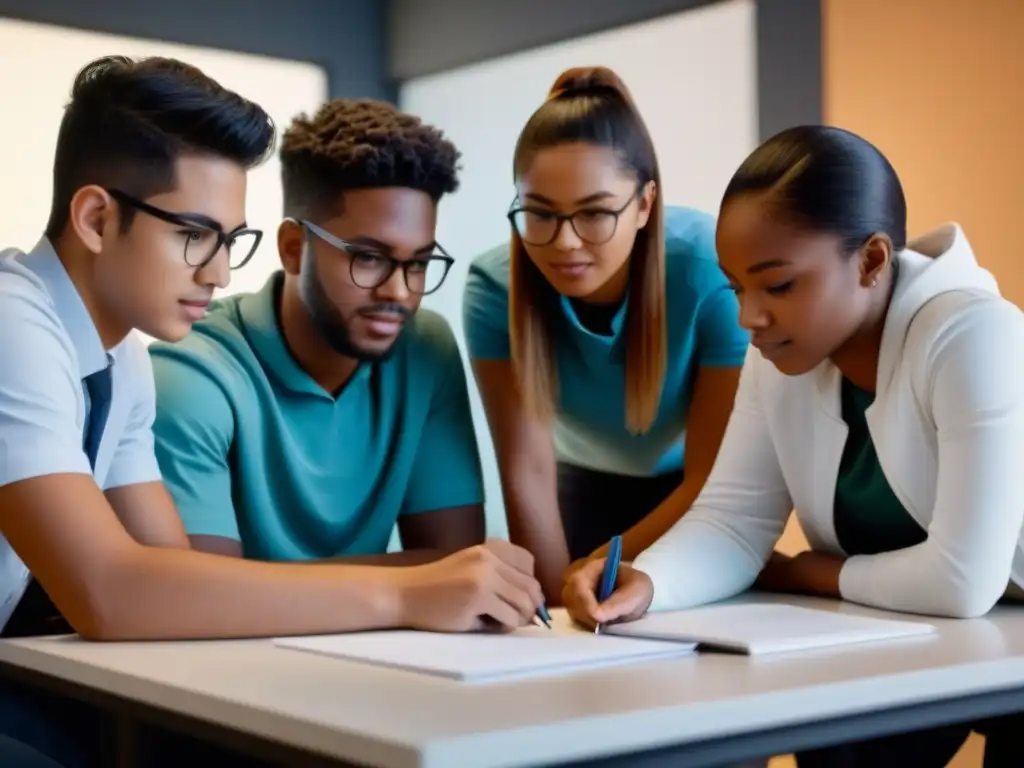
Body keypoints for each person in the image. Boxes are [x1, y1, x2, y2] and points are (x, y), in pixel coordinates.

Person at [0, 54, 541, 767]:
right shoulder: (13, 322)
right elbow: (112, 594)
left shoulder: (122, 356)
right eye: (195, 235)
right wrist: (406, 592)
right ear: (97, 218)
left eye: (229, 241)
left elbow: (172, 576)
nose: (220, 272)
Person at [563, 125, 1024, 766]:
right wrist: (648, 584)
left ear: (871, 261)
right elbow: (732, 520)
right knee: (834, 737)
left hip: (992, 637)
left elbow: (963, 581)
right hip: (942, 636)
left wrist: (803, 572)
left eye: (777, 286)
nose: (748, 315)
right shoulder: (779, 353)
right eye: (735, 287)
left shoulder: (974, 334)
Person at [149, 98, 487, 567]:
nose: (400, 292)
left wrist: (432, 581)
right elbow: (200, 597)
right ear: (293, 248)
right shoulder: (190, 369)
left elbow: (460, 565)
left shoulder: (426, 349)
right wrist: (414, 584)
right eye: (368, 257)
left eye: (420, 264)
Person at [463, 66, 749, 602]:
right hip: (577, 483)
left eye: (595, 214)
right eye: (540, 215)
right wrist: (552, 603)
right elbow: (526, 471)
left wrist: (589, 569)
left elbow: (712, 479)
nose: (565, 242)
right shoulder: (492, 288)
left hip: (691, 491)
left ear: (644, 204)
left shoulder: (710, 269)